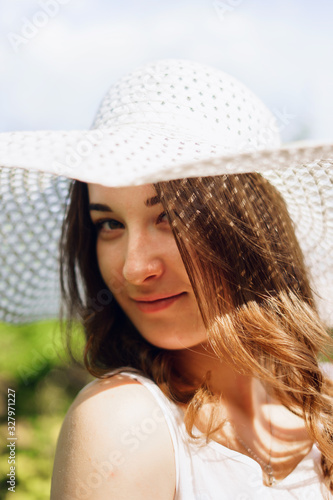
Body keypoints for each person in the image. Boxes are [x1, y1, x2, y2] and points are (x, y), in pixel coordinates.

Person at [0, 59, 332, 499]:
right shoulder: (121, 423)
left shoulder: (323, 399)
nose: (134, 268)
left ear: (250, 231)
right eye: (109, 225)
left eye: (171, 219)